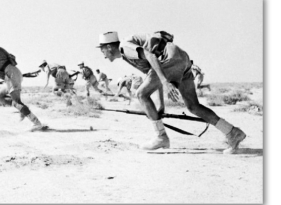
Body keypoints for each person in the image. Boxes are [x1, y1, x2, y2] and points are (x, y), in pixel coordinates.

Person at [96, 31, 246, 154]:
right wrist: (161, 105)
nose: (102, 54)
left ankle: (161, 137)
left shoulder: (125, 47)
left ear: (109, 47)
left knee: (141, 94)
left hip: (171, 60)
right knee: (193, 106)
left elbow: (151, 56)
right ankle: (232, 132)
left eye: (102, 49)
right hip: (182, 59)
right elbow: (153, 71)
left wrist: (164, 81)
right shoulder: (128, 52)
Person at [0, 32, 47, 131]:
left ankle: (36, 123)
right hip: (12, 74)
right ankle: (23, 109)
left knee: (16, 102)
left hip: (11, 75)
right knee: (0, 96)